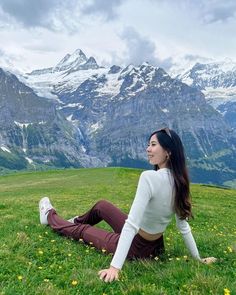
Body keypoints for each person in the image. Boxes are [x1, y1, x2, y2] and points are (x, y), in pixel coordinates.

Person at [39, 128, 216, 283]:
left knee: (83, 231)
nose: (148, 149)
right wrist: (198, 259)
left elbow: (131, 225)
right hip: (155, 245)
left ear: (168, 152)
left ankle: (49, 216)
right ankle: (74, 221)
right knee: (102, 205)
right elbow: (182, 226)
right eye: (149, 144)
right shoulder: (180, 181)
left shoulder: (149, 177)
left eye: (153, 145)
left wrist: (115, 267)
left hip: (137, 247)